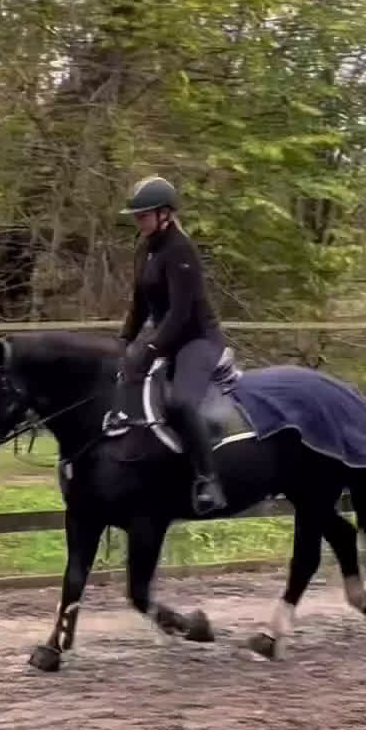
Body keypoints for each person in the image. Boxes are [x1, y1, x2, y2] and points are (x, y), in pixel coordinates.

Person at [120, 175, 228, 515]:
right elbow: (139, 304)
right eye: (136, 216)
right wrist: (123, 342)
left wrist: (149, 349)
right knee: (126, 384)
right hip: (166, 338)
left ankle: (208, 479)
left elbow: (181, 313)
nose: (139, 221)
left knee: (180, 402)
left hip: (196, 340)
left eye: (144, 215)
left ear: (165, 213)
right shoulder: (144, 248)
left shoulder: (181, 249)